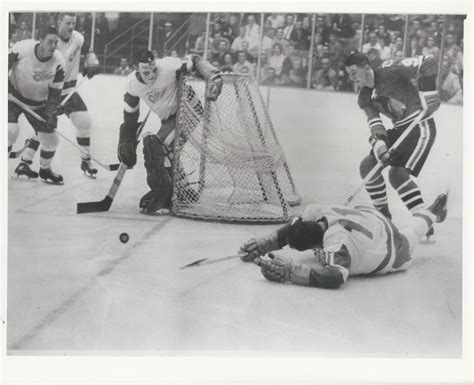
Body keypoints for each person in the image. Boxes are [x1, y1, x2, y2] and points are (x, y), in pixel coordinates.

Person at [239, 193, 448, 289]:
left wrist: (292, 272)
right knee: (409, 231)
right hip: (372, 218)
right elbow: (296, 227)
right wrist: (267, 242)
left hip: (391, 249)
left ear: (315, 246)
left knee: (409, 237)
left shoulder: (337, 243)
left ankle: (430, 215)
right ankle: (431, 213)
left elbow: (336, 277)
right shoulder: (316, 212)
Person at [344, 52, 441, 237]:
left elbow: (428, 60)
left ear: (366, 68)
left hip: (420, 127)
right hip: (399, 130)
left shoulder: (390, 69)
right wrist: (380, 148)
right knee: (367, 166)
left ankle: (424, 223)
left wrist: (429, 92)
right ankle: (383, 217)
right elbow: (375, 123)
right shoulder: (364, 96)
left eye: (354, 73)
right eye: (349, 74)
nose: (352, 78)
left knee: (397, 175)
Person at [117, 49, 223, 214]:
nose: (152, 74)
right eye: (146, 72)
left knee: (157, 147)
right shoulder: (132, 84)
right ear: (135, 69)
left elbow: (194, 59)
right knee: (163, 150)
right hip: (168, 119)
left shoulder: (167, 66)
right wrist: (126, 140)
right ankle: (182, 190)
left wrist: (213, 76)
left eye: (153, 69)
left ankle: (164, 195)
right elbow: (130, 115)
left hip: (188, 109)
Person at [16, 13, 101, 180]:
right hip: (51, 92)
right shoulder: (50, 43)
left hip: (69, 90)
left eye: (74, 23)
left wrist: (92, 61)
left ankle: (86, 160)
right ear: (59, 23)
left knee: (84, 121)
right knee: (45, 127)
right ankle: (26, 161)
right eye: (68, 23)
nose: (71, 26)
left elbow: (88, 52)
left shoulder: (78, 38)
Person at [8, 26, 65, 184]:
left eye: (56, 42)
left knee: (52, 140)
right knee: (9, 131)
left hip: (39, 104)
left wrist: (51, 112)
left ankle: (45, 170)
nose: (53, 46)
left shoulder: (59, 61)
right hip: (13, 98)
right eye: (50, 42)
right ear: (40, 40)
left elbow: (55, 92)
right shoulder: (22, 49)